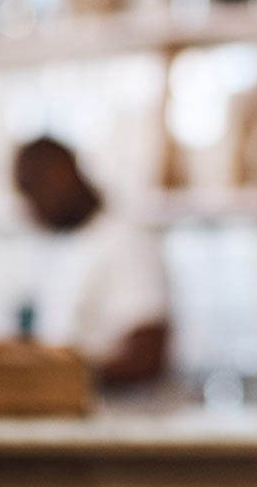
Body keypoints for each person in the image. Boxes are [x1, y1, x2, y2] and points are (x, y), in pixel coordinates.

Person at [12, 135, 171, 385]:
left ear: (60, 175)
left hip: (117, 418)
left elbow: (146, 354)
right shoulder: (62, 247)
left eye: (31, 191)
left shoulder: (125, 241)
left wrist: (62, 378)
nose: (30, 210)